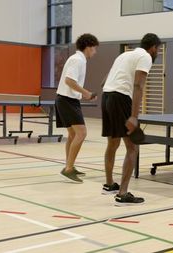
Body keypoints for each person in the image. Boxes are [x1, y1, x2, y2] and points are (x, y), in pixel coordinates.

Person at [101, 33, 161, 206]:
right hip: (120, 98)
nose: (157, 53)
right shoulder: (145, 57)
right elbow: (138, 86)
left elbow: (104, 80)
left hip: (107, 96)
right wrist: (134, 117)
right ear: (153, 48)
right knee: (132, 147)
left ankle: (110, 184)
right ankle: (123, 194)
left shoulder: (124, 55)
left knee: (113, 143)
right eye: (157, 49)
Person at [56, 33, 99, 183]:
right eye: (94, 48)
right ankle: (68, 169)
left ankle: (69, 166)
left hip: (66, 99)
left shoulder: (78, 59)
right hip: (67, 100)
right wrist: (86, 92)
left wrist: (84, 94)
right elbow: (69, 80)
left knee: (73, 135)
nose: (95, 52)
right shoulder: (77, 60)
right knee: (81, 133)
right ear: (88, 47)